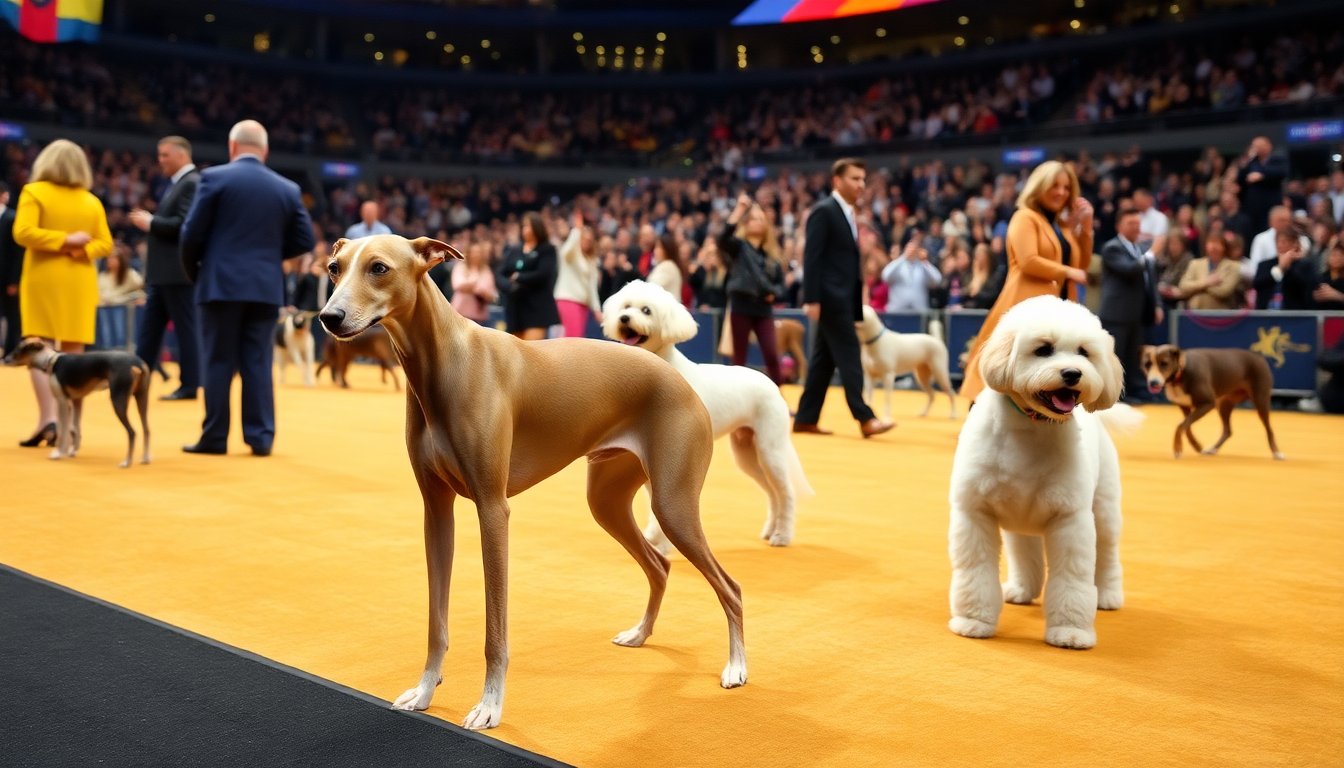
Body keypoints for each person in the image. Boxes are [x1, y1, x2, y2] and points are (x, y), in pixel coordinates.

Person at [179, 120, 315, 457]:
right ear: (265, 150)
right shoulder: (287, 188)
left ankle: (214, 437)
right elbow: (305, 240)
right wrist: (269, 257)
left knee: (218, 361)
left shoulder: (213, 178)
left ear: (232, 146)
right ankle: (261, 438)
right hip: (264, 287)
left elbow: (190, 235)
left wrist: (198, 272)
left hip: (219, 284)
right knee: (258, 361)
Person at [960, 160, 1093, 403]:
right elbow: (1028, 261)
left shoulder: (1062, 227)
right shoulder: (1025, 217)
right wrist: (1068, 272)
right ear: (1039, 186)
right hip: (1025, 305)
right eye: (1054, 185)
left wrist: (1085, 228)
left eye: (1066, 187)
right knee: (1004, 362)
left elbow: (1081, 265)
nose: (1061, 192)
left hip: (1059, 309)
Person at [12, 138, 114, 447]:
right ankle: (71, 426)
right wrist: (78, 249)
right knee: (74, 354)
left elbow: (23, 232)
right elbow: (105, 243)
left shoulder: (34, 192)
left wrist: (63, 241)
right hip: (79, 280)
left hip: (43, 277)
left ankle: (49, 420)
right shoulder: (91, 201)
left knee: (38, 350)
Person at [793, 158, 893, 438]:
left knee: (823, 361)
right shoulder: (824, 211)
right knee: (849, 355)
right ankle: (865, 417)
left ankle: (805, 418)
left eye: (863, 179)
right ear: (837, 181)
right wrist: (812, 298)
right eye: (854, 178)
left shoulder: (846, 213)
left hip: (842, 298)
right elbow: (812, 257)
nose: (861, 184)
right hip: (830, 298)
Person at [129, 135, 203, 401]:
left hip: (177, 273)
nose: (160, 160)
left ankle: (190, 384)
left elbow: (184, 224)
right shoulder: (180, 184)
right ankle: (135, 381)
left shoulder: (191, 182)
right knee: (149, 333)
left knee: (185, 330)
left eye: (165, 155)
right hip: (164, 274)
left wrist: (151, 222)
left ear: (182, 155)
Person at [720, 192, 786, 383]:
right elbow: (723, 238)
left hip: (763, 307)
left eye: (760, 219)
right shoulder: (739, 247)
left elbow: (781, 286)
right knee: (739, 358)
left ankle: (777, 394)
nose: (757, 222)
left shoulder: (772, 255)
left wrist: (774, 294)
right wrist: (739, 209)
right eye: (753, 219)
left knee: (771, 354)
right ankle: (737, 397)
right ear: (746, 224)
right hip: (741, 304)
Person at [1098, 208, 1163, 402]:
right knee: (1116, 357)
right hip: (1116, 314)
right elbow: (1129, 269)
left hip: (1136, 313)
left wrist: (1157, 304)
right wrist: (1152, 253)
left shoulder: (1140, 249)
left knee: (1133, 356)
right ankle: (1116, 396)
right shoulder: (1112, 247)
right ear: (1119, 226)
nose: (1136, 227)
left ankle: (1134, 391)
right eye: (1130, 223)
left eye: (1137, 223)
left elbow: (1150, 280)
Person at [498, 211, 559, 340]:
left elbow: (543, 274)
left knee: (530, 348)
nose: (525, 229)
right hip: (515, 309)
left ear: (537, 227)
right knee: (514, 349)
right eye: (523, 226)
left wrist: (519, 277)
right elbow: (500, 274)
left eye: (528, 226)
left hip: (537, 309)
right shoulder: (514, 250)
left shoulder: (547, 249)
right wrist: (509, 286)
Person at [553, 209, 602, 337]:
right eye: (584, 239)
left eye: (589, 240)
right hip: (568, 299)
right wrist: (577, 230)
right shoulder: (570, 255)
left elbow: (592, 287)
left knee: (574, 337)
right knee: (573, 338)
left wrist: (597, 309)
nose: (587, 242)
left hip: (583, 304)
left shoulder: (591, 260)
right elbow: (566, 250)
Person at [96, 244, 146, 349]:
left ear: (120, 260)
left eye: (114, 258)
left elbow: (141, 289)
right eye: (109, 259)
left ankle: (122, 350)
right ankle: (108, 350)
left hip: (124, 310)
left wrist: (138, 298)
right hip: (105, 310)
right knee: (106, 336)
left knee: (121, 335)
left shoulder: (130, 274)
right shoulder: (102, 276)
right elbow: (99, 294)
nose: (110, 261)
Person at [1178, 232, 1243, 310]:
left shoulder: (1234, 266)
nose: (1213, 247)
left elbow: (1224, 291)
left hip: (1221, 313)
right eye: (1211, 242)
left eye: (1217, 243)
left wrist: (1195, 288)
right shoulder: (1195, 264)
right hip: (1195, 312)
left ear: (1224, 246)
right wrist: (1207, 282)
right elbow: (1184, 286)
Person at [1253, 229, 1316, 310]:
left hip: (1294, 314)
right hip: (1266, 313)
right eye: (1277, 242)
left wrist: (1288, 268)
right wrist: (1280, 268)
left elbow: (1304, 288)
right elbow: (1257, 284)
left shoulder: (1305, 265)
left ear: (1295, 244)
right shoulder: (1265, 265)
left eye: (1284, 242)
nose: (1279, 245)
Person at [881, 233, 943, 312]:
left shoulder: (923, 266)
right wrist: (903, 257)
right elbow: (885, 276)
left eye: (914, 248)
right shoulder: (898, 264)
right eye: (909, 248)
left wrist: (924, 262)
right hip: (897, 311)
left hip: (919, 311)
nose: (912, 250)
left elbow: (937, 280)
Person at [1238, 136, 1287, 233]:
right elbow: (1240, 178)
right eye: (1255, 146)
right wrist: (1248, 160)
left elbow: (1281, 172)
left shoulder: (1277, 159)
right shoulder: (1252, 162)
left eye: (1260, 146)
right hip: (1253, 209)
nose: (1257, 148)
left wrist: (1262, 175)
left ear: (1268, 146)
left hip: (1271, 204)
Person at [450, 242, 499, 324]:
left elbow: (492, 294)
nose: (476, 255)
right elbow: (457, 285)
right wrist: (476, 287)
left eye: (478, 252)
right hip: (460, 313)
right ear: (468, 253)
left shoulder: (486, 270)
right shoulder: (460, 267)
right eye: (473, 252)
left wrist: (472, 288)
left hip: (479, 317)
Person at [0, 182, 21, 356]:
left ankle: (10, 352)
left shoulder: (12, 217)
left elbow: (17, 253)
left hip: (7, 278)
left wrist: (15, 280)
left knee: (12, 316)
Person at [688, 237, 728, 312]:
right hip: (705, 310)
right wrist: (700, 264)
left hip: (720, 310)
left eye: (713, 255)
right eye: (708, 255)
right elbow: (694, 284)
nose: (711, 258)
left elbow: (723, 295)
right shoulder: (703, 271)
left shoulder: (726, 272)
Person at [646, 232, 684, 302]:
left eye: (659, 247)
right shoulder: (667, 265)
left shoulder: (667, 267)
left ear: (667, 250)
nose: (655, 251)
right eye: (655, 247)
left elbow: (651, 289)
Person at [1312, 241, 1344, 310]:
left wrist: (1338, 296)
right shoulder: (1320, 279)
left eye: (1341, 255)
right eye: (1334, 255)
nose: (1337, 258)